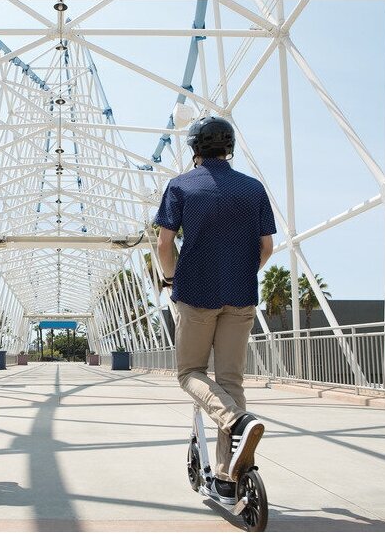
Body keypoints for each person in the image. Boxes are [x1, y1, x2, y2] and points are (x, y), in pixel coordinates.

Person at [155, 116, 276, 505]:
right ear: (230, 147)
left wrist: (173, 280)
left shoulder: (181, 186)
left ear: (194, 148)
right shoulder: (253, 188)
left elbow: (164, 244)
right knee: (231, 380)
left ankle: (235, 420)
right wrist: (242, 272)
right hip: (241, 296)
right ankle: (227, 477)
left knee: (190, 372)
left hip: (196, 294)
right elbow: (267, 247)